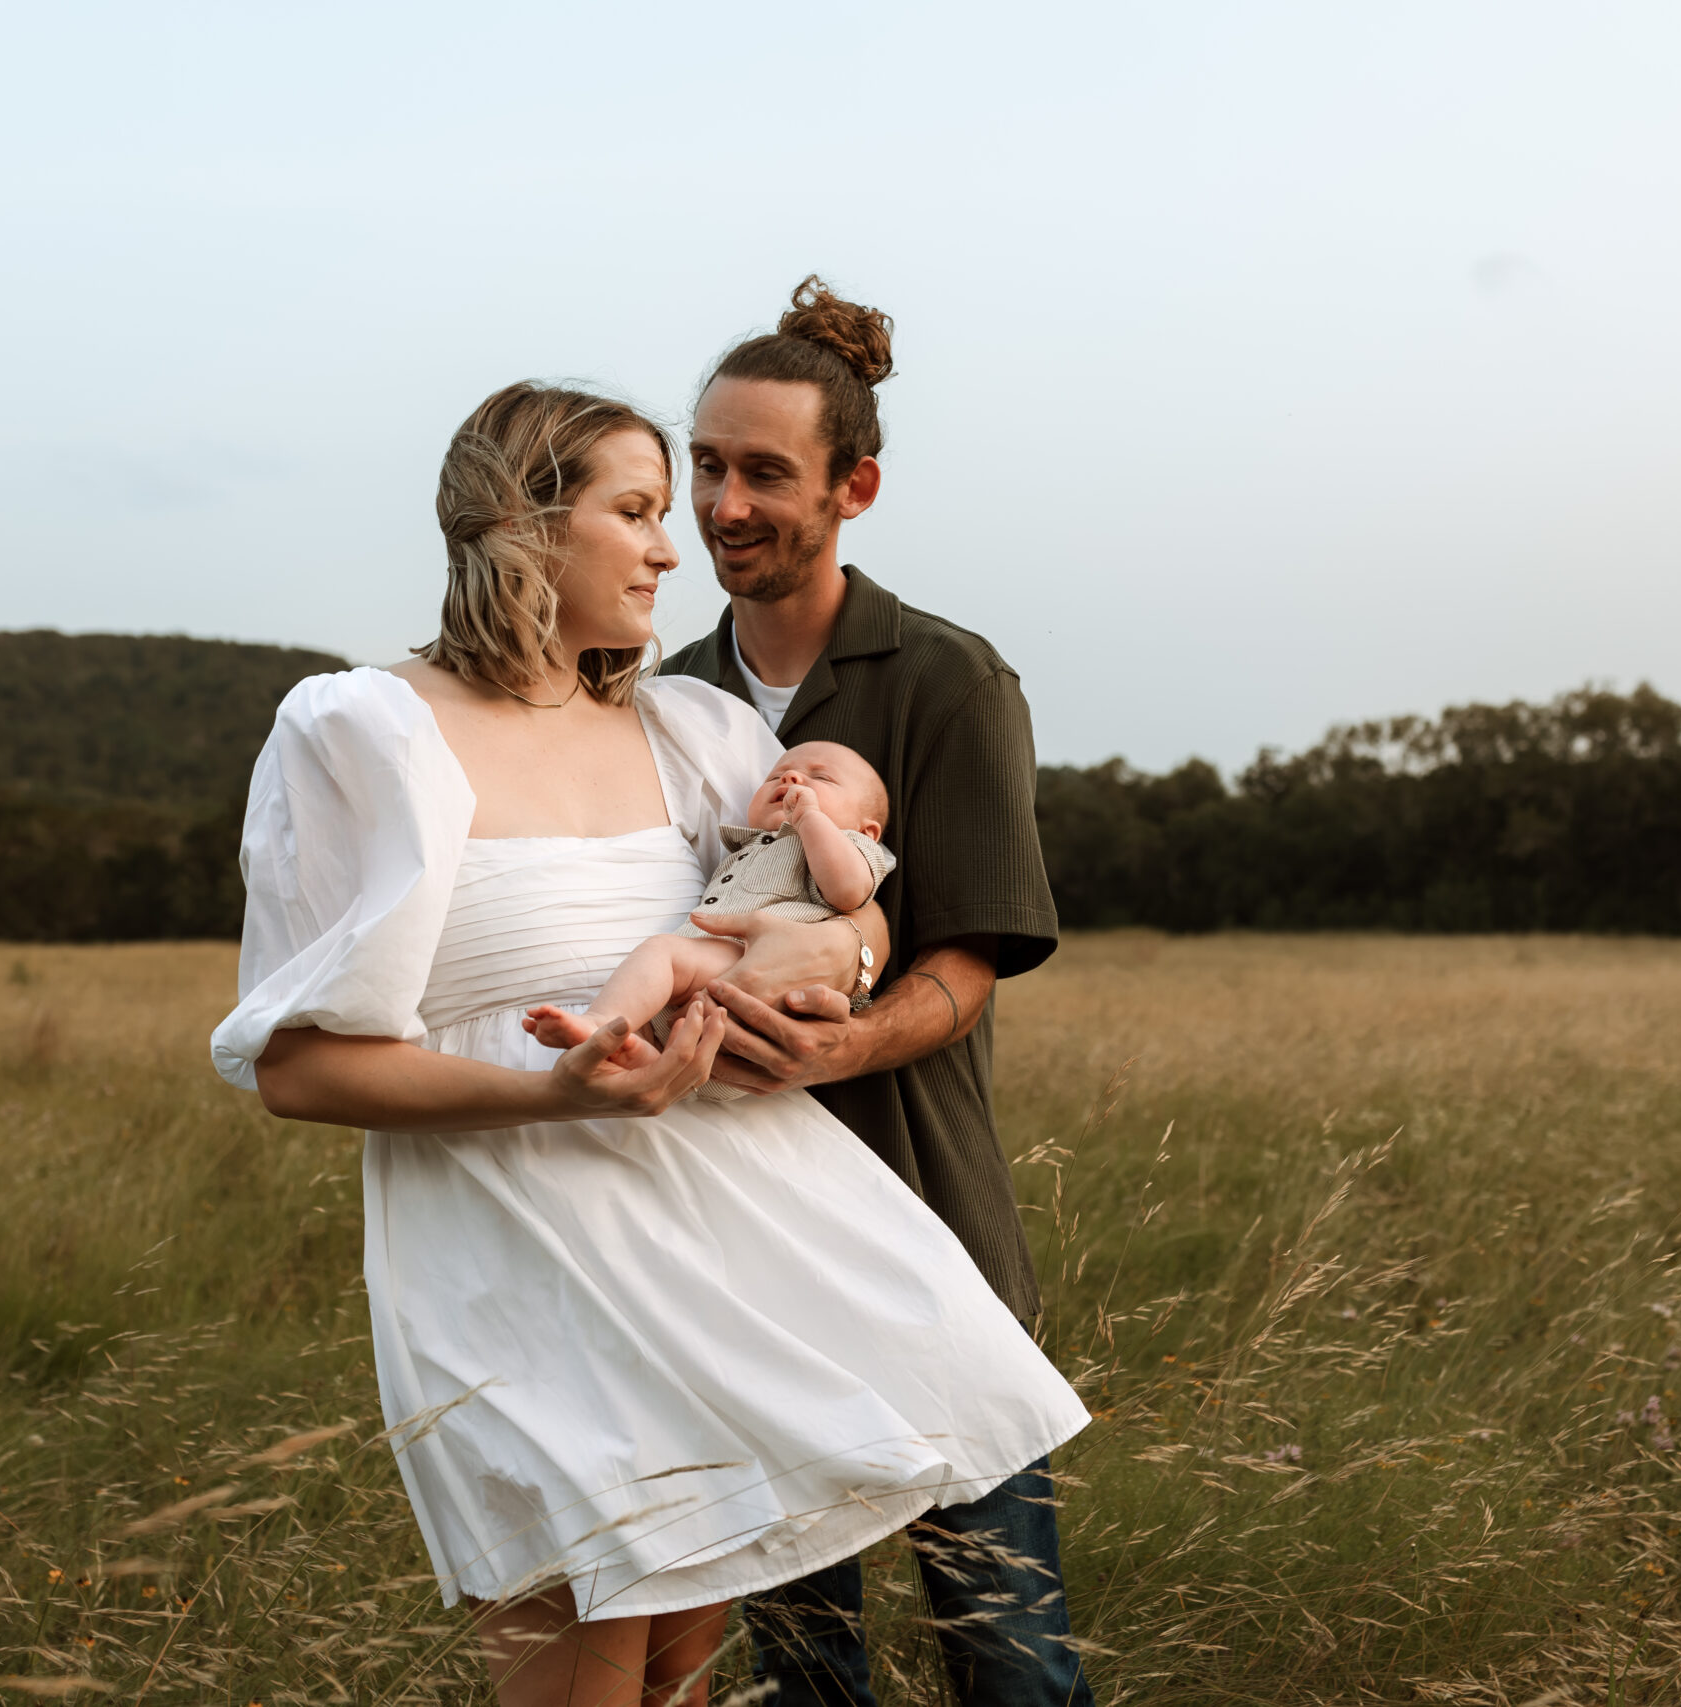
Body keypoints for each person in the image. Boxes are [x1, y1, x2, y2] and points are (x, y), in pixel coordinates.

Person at [209, 381, 1087, 1707]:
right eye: (637, 510)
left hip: (724, 1256)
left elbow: (828, 904)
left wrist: (830, 964)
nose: (675, 547)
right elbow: (297, 1065)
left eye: (667, 513)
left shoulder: (690, 731)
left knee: (683, 1679)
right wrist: (547, 1086)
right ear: (524, 525)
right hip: (525, 1270)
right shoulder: (364, 733)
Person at [660, 278, 1095, 1707]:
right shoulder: (656, 700)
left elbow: (965, 968)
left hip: (928, 1237)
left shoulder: (951, 681)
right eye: (706, 465)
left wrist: (836, 1042)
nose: (723, 504)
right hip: (742, 1252)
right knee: (801, 1671)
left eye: (764, 473)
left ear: (856, 486)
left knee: (1009, 1657)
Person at [523, 739, 895, 1076]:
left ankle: (601, 1022)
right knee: (656, 1005)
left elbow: (848, 891)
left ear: (868, 832)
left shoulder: (850, 846)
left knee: (662, 952)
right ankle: (649, 1057)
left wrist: (811, 818)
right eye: (777, 775)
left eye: (822, 778)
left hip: (763, 969)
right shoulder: (744, 851)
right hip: (714, 1000)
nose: (793, 777)